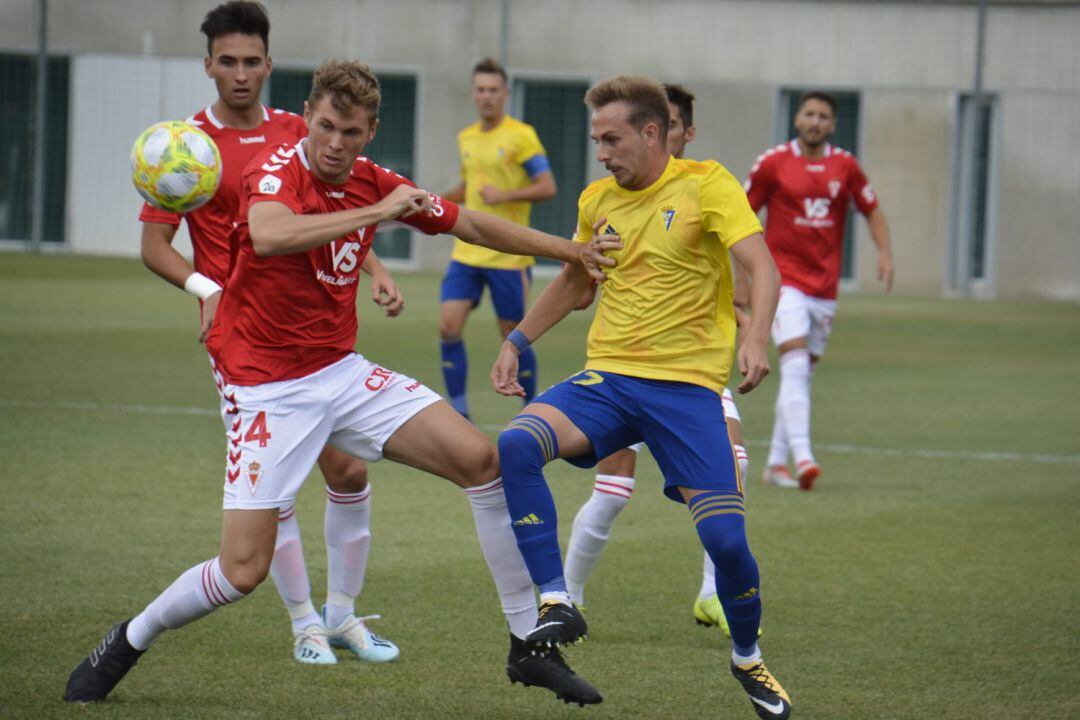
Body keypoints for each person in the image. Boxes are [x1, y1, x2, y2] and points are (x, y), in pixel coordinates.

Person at [65, 59, 618, 706]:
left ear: (370, 131)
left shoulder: (371, 181)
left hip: (341, 372)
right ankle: (130, 637)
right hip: (266, 388)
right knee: (241, 570)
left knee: (482, 461)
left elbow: (467, 222)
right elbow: (271, 236)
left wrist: (570, 251)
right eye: (325, 126)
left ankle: (529, 644)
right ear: (307, 117)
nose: (335, 143)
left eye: (350, 133)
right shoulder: (272, 172)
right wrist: (378, 213)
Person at [491, 75, 792, 719]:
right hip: (610, 381)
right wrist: (516, 340)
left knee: (727, 544)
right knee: (516, 443)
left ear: (653, 133)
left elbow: (762, 267)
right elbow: (575, 285)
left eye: (612, 138)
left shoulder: (706, 184)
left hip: (687, 392)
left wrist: (757, 338)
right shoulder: (597, 199)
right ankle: (556, 599)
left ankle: (747, 658)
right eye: (596, 138)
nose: (601, 152)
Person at [138, 0, 401, 665]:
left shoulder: (301, 129)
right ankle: (304, 623)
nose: (240, 73)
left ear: (269, 64)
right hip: (244, 342)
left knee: (347, 468)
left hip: (313, 332)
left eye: (252, 61)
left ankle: (342, 616)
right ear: (208, 66)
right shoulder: (184, 148)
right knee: (275, 487)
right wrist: (206, 288)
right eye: (227, 61)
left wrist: (371, 267)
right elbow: (154, 245)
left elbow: (335, 207)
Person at [561, 83, 751, 637]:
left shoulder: (708, 189)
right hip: (625, 369)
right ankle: (567, 597)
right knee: (613, 489)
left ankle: (713, 592)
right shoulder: (609, 197)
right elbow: (582, 283)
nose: (658, 136)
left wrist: (744, 310)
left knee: (733, 463)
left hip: (694, 370)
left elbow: (742, 258)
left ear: (681, 133)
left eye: (670, 127)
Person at [746, 90, 894, 491]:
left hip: (824, 288)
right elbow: (741, 214)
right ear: (797, 119)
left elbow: (872, 209)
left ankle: (776, 463)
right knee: (794, 365)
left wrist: (884, 254)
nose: (815, 121)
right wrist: (743, 272)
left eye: (823, 116)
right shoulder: (773, 163)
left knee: (801, 377)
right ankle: (804, 456)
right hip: (783, 281)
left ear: (832, 124)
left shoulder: (845, 166)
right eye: (809, 114)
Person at [439, 58, 557, 418]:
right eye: (480, 89)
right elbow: (470, 187)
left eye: (493, 90)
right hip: (467, 251)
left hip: (508, 254)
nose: (486, 96)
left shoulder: (521, 135)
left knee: (513, 336)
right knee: (448, 326)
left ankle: (530, 412)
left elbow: (547, 186)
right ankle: (460, 413)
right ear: (473, 94)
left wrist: (503, 197)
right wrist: (434, 201)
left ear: (505, 94)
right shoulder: (466, 138)